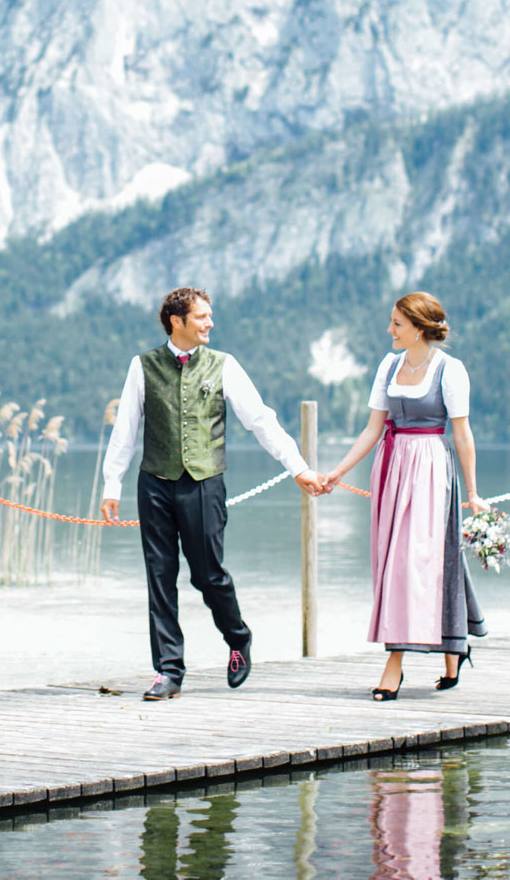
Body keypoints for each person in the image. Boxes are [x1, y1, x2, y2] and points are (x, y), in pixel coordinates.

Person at [100, 286, 327, 700]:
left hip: (204, 483)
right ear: (177, 321)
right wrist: (111, 484)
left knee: (208, 574)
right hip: (153, 483)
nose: (210, 323)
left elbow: (260, 421)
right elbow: (126, 429)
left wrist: (298, 468)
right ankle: (169, 671)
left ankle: (238, 637)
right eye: (202, 316)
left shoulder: (225, 365)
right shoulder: (143, 365)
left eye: (209, 315)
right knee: (159, 577)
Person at [322, 292, 489, 699]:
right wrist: (337, 472)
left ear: (418, 328)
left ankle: (394, 663)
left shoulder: (450, 370)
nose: (389, 330)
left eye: (396, 323)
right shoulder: (389, 365)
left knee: (415, 561)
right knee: (402, 560)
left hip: (431, 466)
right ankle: (455, 646)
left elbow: (462, 434)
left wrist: (473, 493)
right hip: (392, 465)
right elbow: (371, 428)